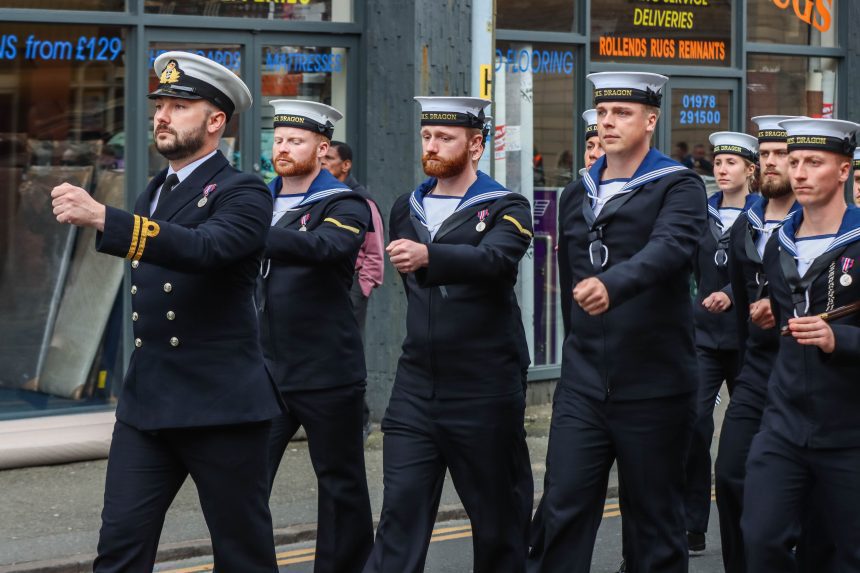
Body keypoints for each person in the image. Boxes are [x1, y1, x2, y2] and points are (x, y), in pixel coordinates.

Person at [50, 52, 281, 572]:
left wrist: (106, 217)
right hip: (149, 403)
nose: (162, 115)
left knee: (242, 553)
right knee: (120, 549)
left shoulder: (244, 191)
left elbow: (206, 250)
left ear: (215, 121)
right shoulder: (155, 190)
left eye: (179, 106)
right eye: (160, 105)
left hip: (221, 406)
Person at [528, 72, 706, 573]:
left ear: (650, 120)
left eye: (622, 113)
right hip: (585, 382)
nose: (608, 121)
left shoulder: (679, 185)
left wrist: (615, 284)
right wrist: (575, 354)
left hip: (653, 383)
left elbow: (670, 249)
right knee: (562, 508)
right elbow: (568, 287)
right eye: (603, 113)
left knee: (653, 521)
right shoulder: (575, 192)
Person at [364, 96, 534, 573]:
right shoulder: (407, 207)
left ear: (476, 144)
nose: (432, 146)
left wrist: (431, 258)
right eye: (427, 137)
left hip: (484, 386)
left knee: (497, 521)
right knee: (399, 515)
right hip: (417, 385)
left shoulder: (507, 205)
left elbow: (497, 261)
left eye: (445, 138)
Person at [258, 100, 373, 573]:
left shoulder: (344, 203)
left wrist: (248, 232)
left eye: (295, 141)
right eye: (278, 139)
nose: (283, 148)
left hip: (327, 368)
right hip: (263, 370)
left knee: (340, 484)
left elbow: (327, 247)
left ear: (322, 148)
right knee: (244, 483)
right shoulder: (258, 198)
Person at [741, 117, 860, 571]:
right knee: (761, 538)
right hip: (784, 425)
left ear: (844, 170)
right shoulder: (780, 243)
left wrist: (839, 338)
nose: (802, 173)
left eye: (815, 162)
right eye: (795, 162)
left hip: (850, 429)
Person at [714, 115, 801, 573]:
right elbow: (741, 293)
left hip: (809, 373)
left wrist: (784, 314)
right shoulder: (745, 223)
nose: (770, 163)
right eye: (764, 154)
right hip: (757, 367)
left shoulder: (816, 224)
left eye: (780, 155)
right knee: (730, 473)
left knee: (800, 489)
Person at [684, 131, 758, 552]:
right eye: (718, 162)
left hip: (745, 338)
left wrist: (732, 294)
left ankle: (753, 518)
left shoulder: (763, 213)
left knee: (745, 434)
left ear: (751, 169)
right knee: (693, 423)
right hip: (703, 337)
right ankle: (694, 523)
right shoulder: (701, 213)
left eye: (732, 163)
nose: (722, 169)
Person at [322, 140, 385, 438]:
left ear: (345, 165)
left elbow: (375, 252)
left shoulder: (362, 201)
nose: (324, 162)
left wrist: (363, 286)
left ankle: (360, 420)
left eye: (330, 159)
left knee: (347, 351)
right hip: (327, 287)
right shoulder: (323, 195)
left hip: (352, 288)